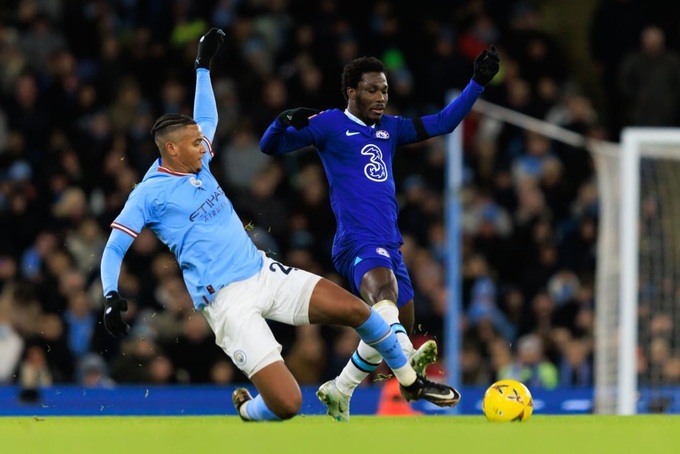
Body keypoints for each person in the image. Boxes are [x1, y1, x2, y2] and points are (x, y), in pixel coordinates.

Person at [99, 28, 460, 422]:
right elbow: (115, 246)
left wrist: (202, 67)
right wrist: (111, 293)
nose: (205, 147)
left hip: (262, 272)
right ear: (171, 149)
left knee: (362, 312)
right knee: (287, 404)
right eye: (196, 143)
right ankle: (248, 410)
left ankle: (410, 382)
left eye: (204, 142)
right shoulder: (148, 194)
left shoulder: (196, 160)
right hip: (227, 302)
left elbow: (208, 116)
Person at [260, 46, 500, 421]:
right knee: (384, 302)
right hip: (357, 239)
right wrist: (282, 121)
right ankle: (409, 366)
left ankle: (340, 389)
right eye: (372, 90)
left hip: (389, 243)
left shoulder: (390, 128)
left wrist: (477, 84)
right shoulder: (328, 124)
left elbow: (442, 123)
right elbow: (271, 146)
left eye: (385, 90)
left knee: (388, 324)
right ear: (351, 92)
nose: (381, 98)